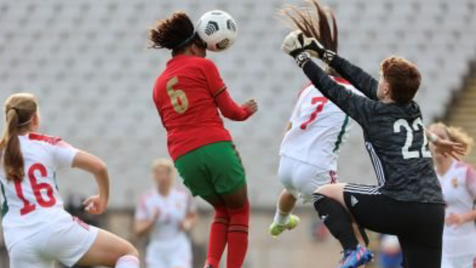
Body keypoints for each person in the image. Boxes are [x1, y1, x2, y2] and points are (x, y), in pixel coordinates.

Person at [281, 20, 465, 268]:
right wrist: (323, 52)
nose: (376, 83)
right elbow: (361, 79)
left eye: (381, 80)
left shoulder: (372, 112)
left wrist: (301, 57)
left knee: (323, 192)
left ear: (387, 88)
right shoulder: (413, 108)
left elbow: (330, 88)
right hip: (432, 209)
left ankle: (352, 250)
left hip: (398, 204)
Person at [149, 12, 258, 268]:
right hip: (213, 146)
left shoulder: (158, 84)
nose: (207, 53)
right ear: (192, 43)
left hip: (183, 157)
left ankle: (210, 263)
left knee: (222, 211)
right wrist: (247, 110)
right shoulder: (203, 66)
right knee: (240, 211)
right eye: (203, 47)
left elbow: (168, 125)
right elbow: (231, 112)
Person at [0, 93, 140, 268]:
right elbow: (99, 167)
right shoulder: (47, 144)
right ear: (35, 118)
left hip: (19, 240)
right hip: (55, 227)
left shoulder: (2, 149)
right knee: (127, 253)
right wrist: (102, 198)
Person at [268, 0, 363, 239]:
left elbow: (289, 126)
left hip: (287, 162)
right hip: (316, 167)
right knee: (349, 211)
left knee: (290, 189)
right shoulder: (353, 93)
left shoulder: (309, 89)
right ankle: (354, 251)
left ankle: (279, 221)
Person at [134, 158, 197, 268]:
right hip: (157, 246)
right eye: (159, 173)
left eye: (166, 173)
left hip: (178, 244)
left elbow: (192, 216)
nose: (162, 178)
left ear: (171, 175)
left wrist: (187, 224)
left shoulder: (182, 196)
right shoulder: (146, 199)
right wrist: (152, 220)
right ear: (153, 176)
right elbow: (138, 230)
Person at [429, 123, 476, 268]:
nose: (437, 143)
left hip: (468, 250)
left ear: (449, 143)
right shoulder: (429, 177)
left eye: (441, 138)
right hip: (443, 251)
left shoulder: (464, 172)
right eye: (433, 139)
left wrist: (465, 217)